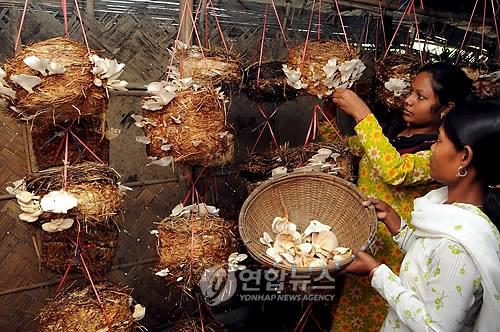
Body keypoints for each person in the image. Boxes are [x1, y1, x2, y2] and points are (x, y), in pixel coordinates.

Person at [330, 62, 473, 331]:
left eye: (421, 97)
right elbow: (346, 148)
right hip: (363, 241)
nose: (407, 100)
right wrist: (327, 108)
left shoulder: (438, 154)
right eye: (410, 92)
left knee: (387, 315)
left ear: (446, 109)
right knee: (349, 316)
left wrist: (362, 114)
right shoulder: (391, 134)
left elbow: (395, 170)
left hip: (397, 252)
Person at [345, 99, 500, 331]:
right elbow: (429, 263)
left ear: (464, 157)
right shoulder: (448, 211)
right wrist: (397, 225)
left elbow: (434, 328)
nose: (432, 149)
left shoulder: (457, 249)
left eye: (438, 141)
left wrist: (376, 272)